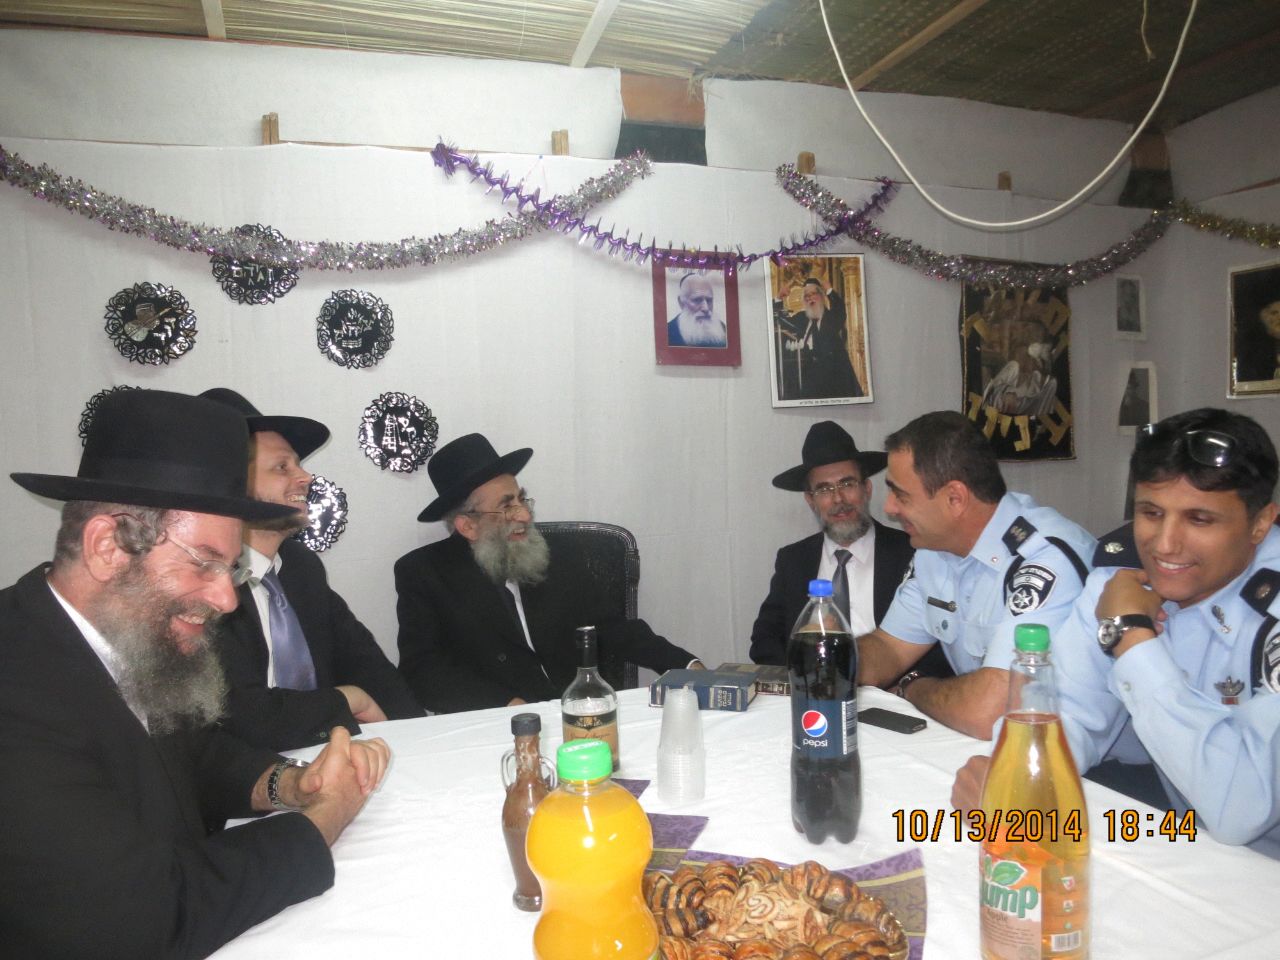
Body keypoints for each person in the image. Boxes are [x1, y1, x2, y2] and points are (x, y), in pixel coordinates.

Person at [0, 389, 389, 958]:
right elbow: (146, 917)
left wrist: (290, 784)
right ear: (107, 546)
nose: (226, 599)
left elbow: (191, 755)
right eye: (205, 563)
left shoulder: (121, 638)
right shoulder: (15, 691)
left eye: (230, 569)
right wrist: (326, 816)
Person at [953, 409, 1280, 855]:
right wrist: (1013, 775)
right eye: (1151, 513)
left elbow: (1239, 808)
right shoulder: (1120, 579)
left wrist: (1132, 637)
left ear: (1260, 523)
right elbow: (1068, 710)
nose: (1164, 544)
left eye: (1199, 520)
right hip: (1190, 843)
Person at [395, 432, 702, 713]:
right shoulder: (424, 573)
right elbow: (421, 671)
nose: (525, 515)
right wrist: (505, 704)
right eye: (507, 506)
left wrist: (684, 666)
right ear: (468, 526)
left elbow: (613, 628)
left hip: (578, 711)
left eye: (521, 499)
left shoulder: (558, 553)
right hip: (496, 723)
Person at [201, 388, 422, 751]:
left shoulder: (301, 566)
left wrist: (416, 737)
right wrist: (347, 700)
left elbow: (365, 661)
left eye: (298, 464)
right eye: (282, 467)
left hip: (323, 756)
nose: (306, 477)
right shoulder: (202, 582)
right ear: (232, 484)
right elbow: (241, 713)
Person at [855, 411, 1096, 739]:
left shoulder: (1044, 561)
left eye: (901, 495)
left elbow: (988, 712)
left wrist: (913, 686)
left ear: (955, 498)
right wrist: (827, 656)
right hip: (999, 746)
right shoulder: (934, 551)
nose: (889, 508)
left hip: (1091, 762)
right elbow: (889, 649)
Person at [750, 420, 924, 671]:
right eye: (824, 490)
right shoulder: (793, 560)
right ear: (810, 500)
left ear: (867, 488)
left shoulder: (911, 552)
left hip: (891, 689)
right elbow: (764, 640)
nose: (838, 499)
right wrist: (803, 678)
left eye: (847, 484)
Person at [777, 277, 862, 400]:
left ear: (822, 296)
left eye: (813, 294)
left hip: (833, 380)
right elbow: (781, 322)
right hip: (807, 379)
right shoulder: (801, 318)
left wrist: (829, 290)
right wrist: (779, 297)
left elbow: (840, 310)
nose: (810, 298)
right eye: (806, 296)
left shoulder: (831, 317)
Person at [979, 316, 1059, 417]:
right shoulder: (1012, 368)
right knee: (1014, 367)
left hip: (1007, 406)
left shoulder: (1044, 383)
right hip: (997, 402)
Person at [667, 273, 726, 347]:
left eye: (709, 300)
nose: (706, 308)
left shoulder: (724, 330)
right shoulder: (668, 333)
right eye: (697, 300)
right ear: (681, 302)